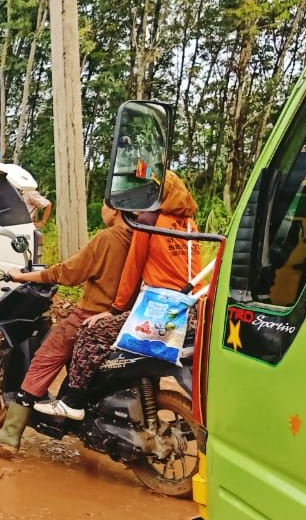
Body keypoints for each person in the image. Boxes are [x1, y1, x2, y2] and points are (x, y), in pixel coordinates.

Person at [37, 171, 202, 420]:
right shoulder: (188, 223)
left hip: (162, 313)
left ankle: (74, 401)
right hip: (191, 310)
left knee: (90, 332)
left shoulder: (148, 221)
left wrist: (115, 309)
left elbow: (133, 269)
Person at [0, 203, 133, 454]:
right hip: (127, 316)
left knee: (44, 358)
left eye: (105, 204)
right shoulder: (142, 237)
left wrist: (22, 276)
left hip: (92, 315)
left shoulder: (108, 238)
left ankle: (10, 433)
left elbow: (69, 273)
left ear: (115, 209)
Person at [5, 164, 53, 263]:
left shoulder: (29, 192)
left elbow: (47, 204)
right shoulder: (9, 191)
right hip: (9, 225)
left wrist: (42, 222)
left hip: (25, 226)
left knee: (26, 256)